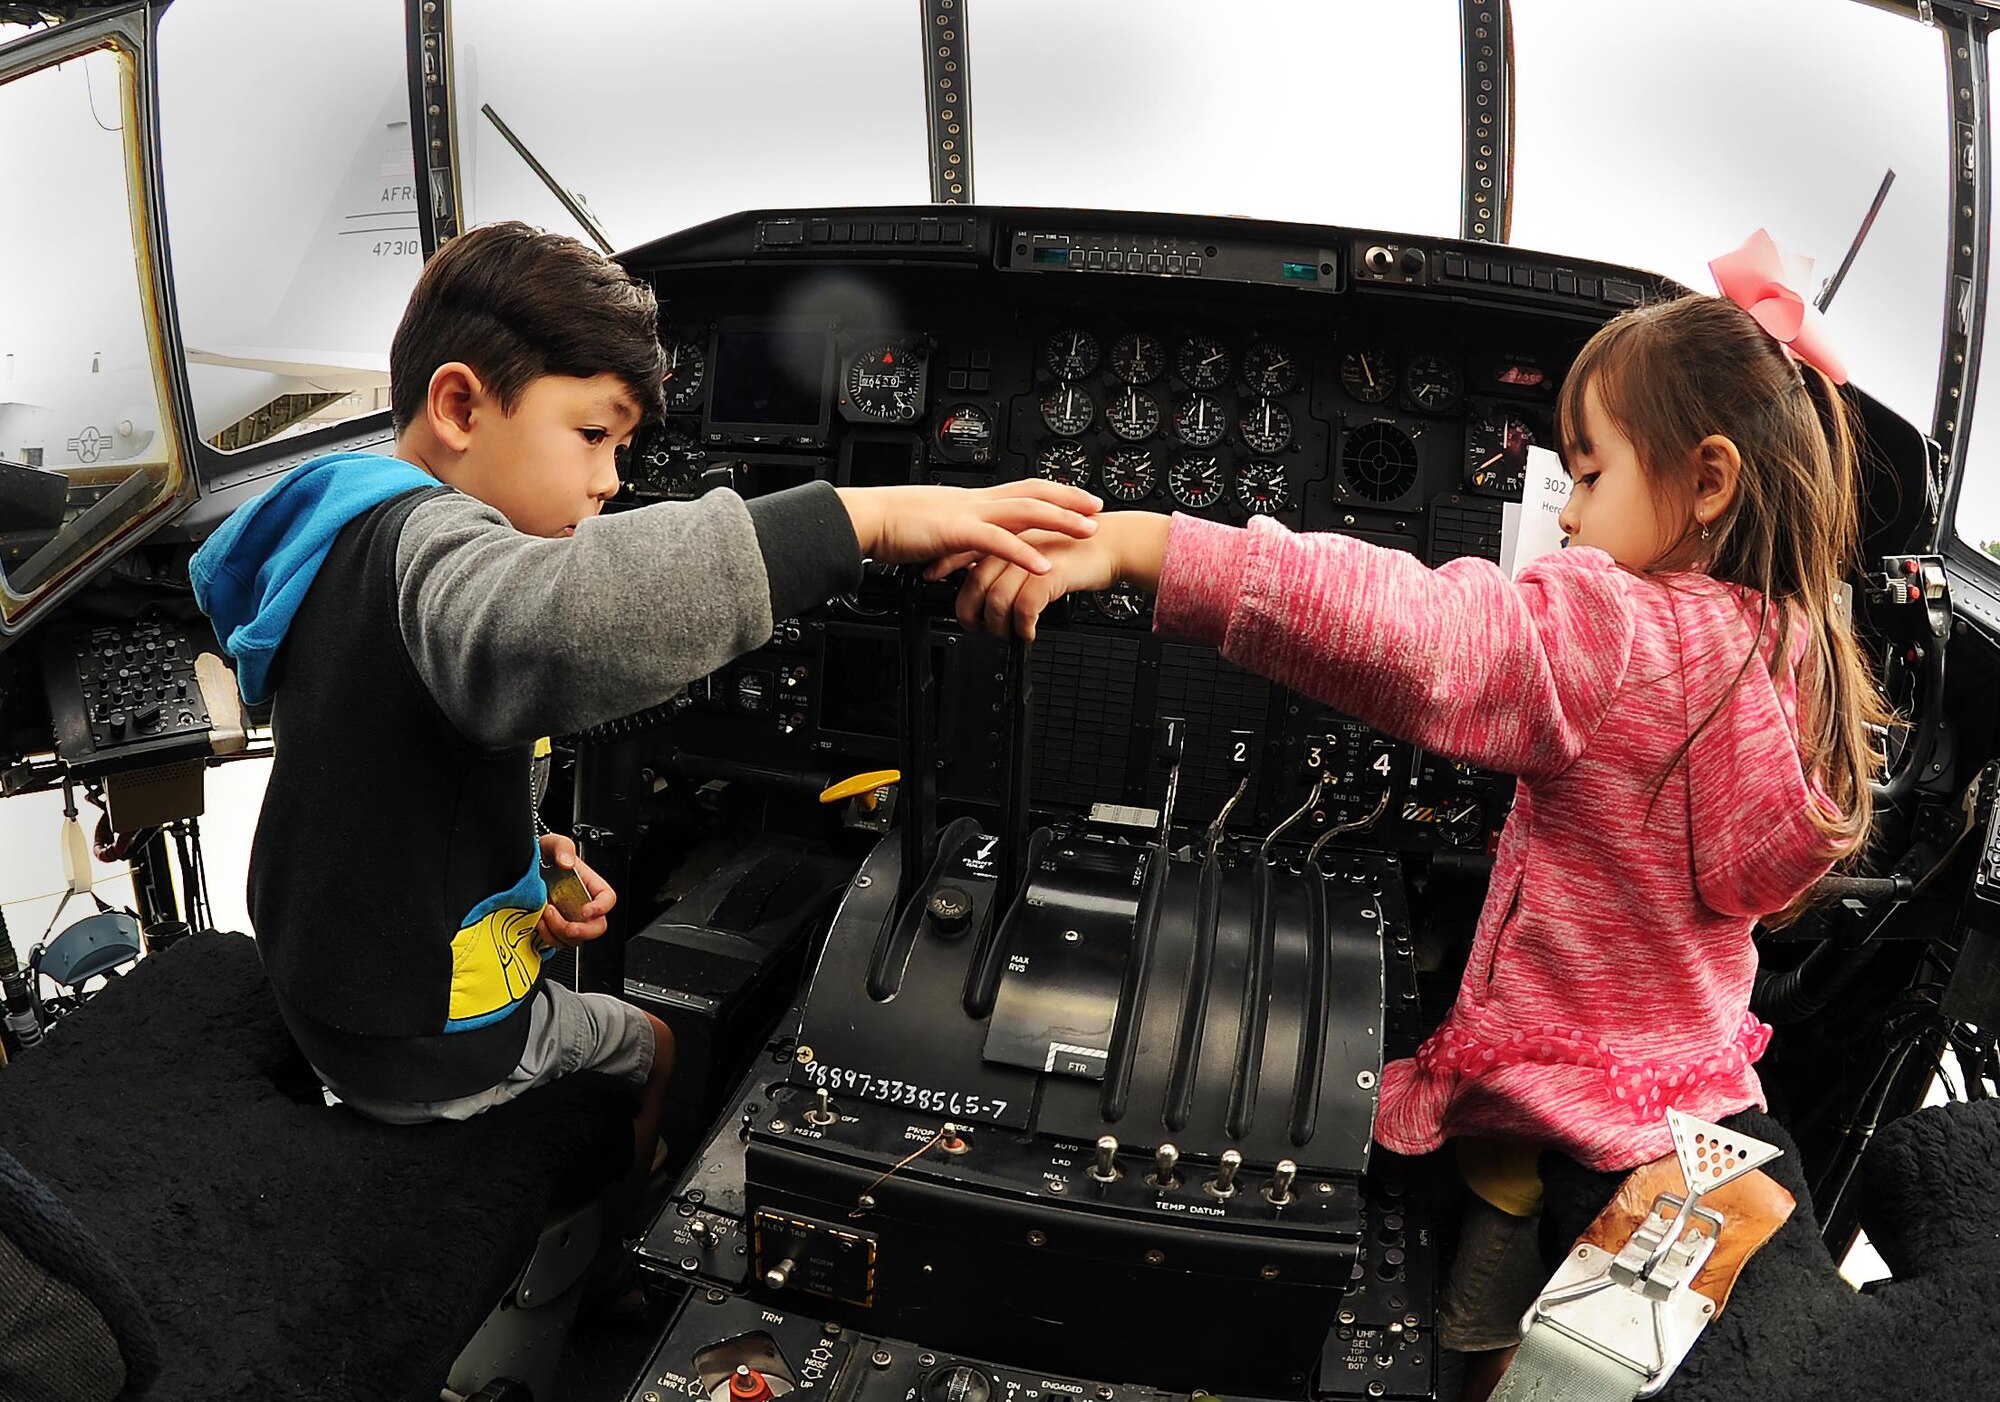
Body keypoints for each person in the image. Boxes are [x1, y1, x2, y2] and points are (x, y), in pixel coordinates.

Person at [943, 285, 1885, 1395]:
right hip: (1686, 1087)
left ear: (1709, 480)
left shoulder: (1614, 627)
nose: (1569, 515)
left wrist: (1150, 545)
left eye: (1587, 474)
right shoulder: (1797, 657)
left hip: (1543, 1112)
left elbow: (1425, 638)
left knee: (1466, 1326)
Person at [189, 221, 1099, 1303]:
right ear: (459, 407)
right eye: (591, 435)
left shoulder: (337, 521)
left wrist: (525, 852)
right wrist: (870, 516)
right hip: (419, 1041)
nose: (611, 481)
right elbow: (558, 622)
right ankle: (611, 1256)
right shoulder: (436, 556)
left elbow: (386, 761)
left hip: (328, 973)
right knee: (653, 1042)